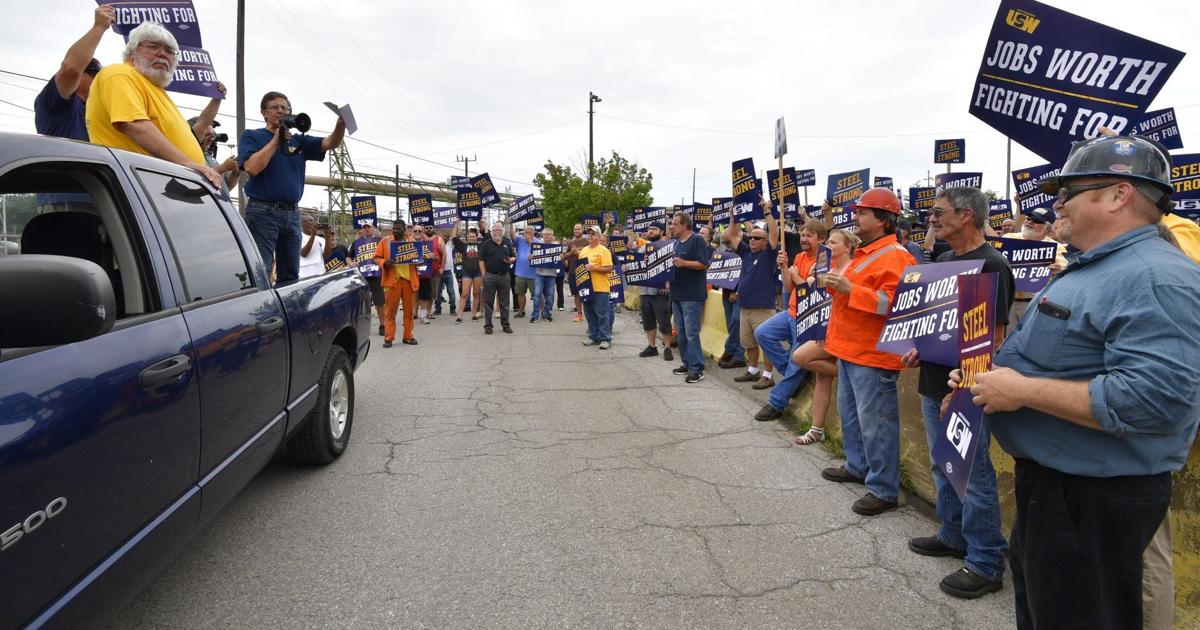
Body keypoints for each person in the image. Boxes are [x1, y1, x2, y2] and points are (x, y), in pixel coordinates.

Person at [956, 135, 1200, 630]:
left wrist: (1021, 391)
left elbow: (1155, 400)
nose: (1057, 203)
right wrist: (987, 380)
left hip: (1094, 501)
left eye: (1069, 191)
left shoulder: (1154, 277)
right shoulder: (1098, 267)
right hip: (1056, 492)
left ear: (1118, 195)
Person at [900, 187, 1014, 600]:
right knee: (943, 465)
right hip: (934, 382)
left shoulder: (992, 264)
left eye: (938, 211)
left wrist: (963, 389)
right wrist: (919, 347)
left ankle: (985, 562)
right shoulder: (945, 259)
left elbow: (993, 340)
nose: (931, 217)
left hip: (967, 389)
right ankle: (952, 535)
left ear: (966, 215)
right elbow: (937, 325)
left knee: (974, 476)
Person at [819, 187, 915, 516]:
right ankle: (858, 465)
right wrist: (838, 286)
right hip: (851, 349)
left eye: (862, 212)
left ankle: (884, 488)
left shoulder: (896, 256)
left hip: (873, 355)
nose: (856, 217)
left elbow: (898, 305)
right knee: (851, 416)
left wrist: (850, 289)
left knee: (877, 424)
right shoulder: (866, 252)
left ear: (883, 220)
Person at [85, 21, 220, 188]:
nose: (162, 54)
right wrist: (186, 163)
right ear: (132, 51)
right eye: (153, 46)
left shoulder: (155, 88)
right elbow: (133, 124)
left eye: (169, 51)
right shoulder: (119, 74)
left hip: (157, 187)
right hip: (133, 186)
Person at [238, 90, 346, 283]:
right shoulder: (252, 136)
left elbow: (331, 142)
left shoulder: (298, 140)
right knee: (261, 270)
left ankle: (287, 302)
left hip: (292, 214)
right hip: (263, 212)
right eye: (275, 107)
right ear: (264, 113)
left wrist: (341, 125)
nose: (280, 111)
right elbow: (252, 168)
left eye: (284, 108)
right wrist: (276, 140)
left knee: (290, 274)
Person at [35, 3, 113, 141]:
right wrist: (99, 27)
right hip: (61, 156)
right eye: (95, 73)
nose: (100, 79)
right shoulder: (58, 104)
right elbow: (71, 68)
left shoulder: (98, 114)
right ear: (80, 75)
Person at [727, 202, 780, 390]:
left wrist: (767, 212)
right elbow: (731, 235)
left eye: (757, 238)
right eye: (751, 237)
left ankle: (768, 375)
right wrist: (733, 217)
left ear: (765, 242)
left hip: (762, 308)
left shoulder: (769, 254)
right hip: (745, 307)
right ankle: (752, 370)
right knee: (748, 342)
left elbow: (774, 233)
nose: (753, 240)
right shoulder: (746, 252)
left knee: (766, 343)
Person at [1000, 207, 1068, 323]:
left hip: (1035, 303)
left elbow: (1064, 273)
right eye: (1028, 218)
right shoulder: (1008, 239)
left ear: (1047, 228)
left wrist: (1058, 272)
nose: (1029, 222)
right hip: (1006, 301)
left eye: (1036, 220)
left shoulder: (1056, 248)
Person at [668, 211, 712, 383]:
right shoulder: (676, 243)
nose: (672, 226)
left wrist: (685, 263)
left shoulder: (697, 240)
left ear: (685, 225)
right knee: (680, 332)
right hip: (677, 293)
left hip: (692, 295)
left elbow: (704, 264)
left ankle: (697, 368)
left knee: (691, 333)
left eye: (675, 224)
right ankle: (686, 363)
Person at [373, 222, 419, 347]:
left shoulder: (413, 242)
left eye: (398, 229)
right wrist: (384, 263)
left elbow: (419, 259)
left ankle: (408, 336)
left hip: (409, 281)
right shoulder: (385, 241)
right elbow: (376, 258)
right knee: (390, 312)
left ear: (404, 229)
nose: (395, 231)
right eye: (394, 229)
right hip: (392, 281)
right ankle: (388, 338)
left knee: (409, 312)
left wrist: (421, 259)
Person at [636, 222, 674, 361]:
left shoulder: (667, 247)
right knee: (648, 320)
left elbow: (671, 266)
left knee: (664, 320)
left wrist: (666, 284)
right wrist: (642, 262)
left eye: (654, 229)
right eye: (649, 229)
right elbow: (636, 267)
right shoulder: (642, 248)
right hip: (644, 290)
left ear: (661, 231)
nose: (651, 231)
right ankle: (652, 347)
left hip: (660, 291)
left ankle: (667, 347)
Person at [715, 227, 747, 371]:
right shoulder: (724, 252)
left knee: (736, 322)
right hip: (726, 293)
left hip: (741, 294)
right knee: (731, 325)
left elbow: (749, 275)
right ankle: (737, 356)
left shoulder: (746, 252)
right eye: (724, 242)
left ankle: (731, 351)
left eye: (728, 241)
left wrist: (738, 292)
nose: (727, 244)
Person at [578, 226, 615, 349]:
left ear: (599, 237)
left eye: (593, 234)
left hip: (600, 288)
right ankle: (593, 336)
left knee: (602, 314)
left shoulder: (604, 251)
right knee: (589, 314)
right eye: (588, 233)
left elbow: (609, 268)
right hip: (586, 287)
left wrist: (594, 268)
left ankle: (605, 338)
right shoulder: (584, 250)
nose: (590, 236)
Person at [187, 113, 239, 192]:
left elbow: (227, 187)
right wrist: (222, 168)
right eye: (207, 135)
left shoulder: (210, 157)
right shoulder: (187, 155)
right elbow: (196, 184)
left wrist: (236, 172)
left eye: (213, 135)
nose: (211, 139)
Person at [479, 221, 516, 334]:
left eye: (499, 230)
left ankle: (505, 325)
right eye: (495, 230)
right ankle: (488, 326)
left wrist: (511, 260)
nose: (497, 232)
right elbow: (481, 260)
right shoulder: (486, 244)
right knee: (488, 302)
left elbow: (514, 257)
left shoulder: (507, 243)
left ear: (503, 232)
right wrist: (484, 275)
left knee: (504, 302)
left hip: (504, 276)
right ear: (491, 232)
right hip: (490, 276)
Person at [350, 221, 386, 335]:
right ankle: (358, 328)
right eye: (364, 227)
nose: (366, 229)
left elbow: (387, 254)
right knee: (360, 303)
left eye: (368, 227)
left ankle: (383, 325)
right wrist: (351, 263)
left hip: (377, 275)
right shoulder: (356, 243)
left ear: (374, 228)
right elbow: (348, 257)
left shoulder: (380, 240)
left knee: (379, 301)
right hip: (362, 276)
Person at [452, 221, 483, 323]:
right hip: (467, 273)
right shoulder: (463, 246)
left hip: (477, 273)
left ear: (476, 237)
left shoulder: (480, 246)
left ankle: (473, 315)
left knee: (476, 293)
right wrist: (456, 224)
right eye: (470, 236)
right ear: (467, 237)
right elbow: (454, 238)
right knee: (464, 294)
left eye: (473, 237)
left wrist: (482, 223)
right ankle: (459, 315)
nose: (471, 238)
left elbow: (487, 237)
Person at [531, 228, 559, 322]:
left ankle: (547, 314)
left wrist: (561, 256)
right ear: (542, 236)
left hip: (551, 275)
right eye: (545, 234)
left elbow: (561, 259)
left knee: (550, 296)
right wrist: (530, 257)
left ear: (552, 236)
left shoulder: (556, 247)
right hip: (539, 274)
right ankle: (535, 315)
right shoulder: (537, 246)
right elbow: (530, 257)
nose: (546, 236)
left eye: (548, 234)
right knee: (537, 295)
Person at [563, 223, 588, 322]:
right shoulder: (571, 242)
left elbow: (590, 256)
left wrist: (578, 253)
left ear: (582, 230)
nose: (576, 231)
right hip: (572, 271)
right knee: (576, 294)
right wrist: (571, 253)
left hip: (584, 271)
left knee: (586, 293)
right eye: (575, 229)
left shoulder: (587, 241)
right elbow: (564, 257)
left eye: (578, 229)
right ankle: (579, 314)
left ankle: (590, 314)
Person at [511, 225, 538, 318]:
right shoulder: (520, 240)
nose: (527, 235)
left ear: (533, 233)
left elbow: (540, 253)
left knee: (537, 294)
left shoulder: (538, 242)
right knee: (520, 293)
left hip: (534, 274)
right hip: (520, 273)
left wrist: (530, 241)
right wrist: (510, 224)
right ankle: (522, 311)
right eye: (526, 233)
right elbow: (512, 235)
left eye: (529, 233)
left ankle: (542, 312)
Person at [298, 214, 332, 279]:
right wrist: (313, 235)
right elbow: (304, 254)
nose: (310, 223)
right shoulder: (298, 238)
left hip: (320, 274)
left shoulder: (320, 239)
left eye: (311, 221)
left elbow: (327, 255)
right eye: (306, 221)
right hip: (304, 276)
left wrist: (327, 238)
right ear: (301, 224)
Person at [434, 228, 457, 317]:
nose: (445, 237)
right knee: (438, 292)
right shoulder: (438, 244)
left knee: (451, 291)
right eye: (444, 236)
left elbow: (455, 236)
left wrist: (456, 224)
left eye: (447, 236)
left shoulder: (451, 244)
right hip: (439, 271)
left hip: (448, 271)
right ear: (441, 236)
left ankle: (453, 309)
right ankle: (437, 309)